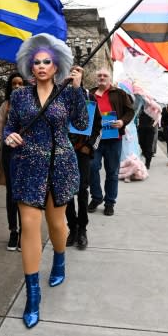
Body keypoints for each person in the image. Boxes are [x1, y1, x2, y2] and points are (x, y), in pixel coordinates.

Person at [4, 33, 87, 329]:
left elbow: (81, 124)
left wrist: (78, 90)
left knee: (56, 225)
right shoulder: (19, 95)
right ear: (30, 66)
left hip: (61, 164)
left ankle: (60, 259)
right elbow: (11, 126)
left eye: (46, 62)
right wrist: (8, 137)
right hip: (28, 165)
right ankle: (33, 295)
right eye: (36, 62)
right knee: (29, 226)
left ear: (56, 67)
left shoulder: (67, 93)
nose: (40, 66)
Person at [0, 72, 25, 252]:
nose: (17, 86)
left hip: (27, 155)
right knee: (12, 195)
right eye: (14, 84)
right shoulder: (5, 106)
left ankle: (26, 232)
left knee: (25, 194)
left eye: (20, 83)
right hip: (9, 154)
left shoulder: (33, 104)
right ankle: (13, 231)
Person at [88, 67, 134, 216]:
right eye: (99, 75)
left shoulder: (119, 94)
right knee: (92, 167)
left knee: (112, 172)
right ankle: (97, 197)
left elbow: (130, 111)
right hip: (96, 138)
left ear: (110, 78)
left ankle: (109, 202)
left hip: (114, 139)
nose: (102, 77)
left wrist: (122, 121)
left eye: (105, 75)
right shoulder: (89, 94)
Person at [66, 67, 102, 250]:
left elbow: (98, 127)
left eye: (78, 71)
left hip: (82, 151)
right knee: (66, 193)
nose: (74, 74)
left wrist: (89, 147)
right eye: (72, 71)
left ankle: (82, 230)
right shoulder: (60, 95)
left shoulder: (90, 98)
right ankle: (71, 228)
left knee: (81, 190)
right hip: (63, 152)